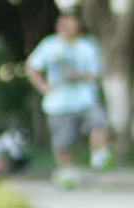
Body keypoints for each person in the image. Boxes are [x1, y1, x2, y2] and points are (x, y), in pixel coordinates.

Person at [26, 9, 112, 188]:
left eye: (72, 26)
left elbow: (96, 74)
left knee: (100, 124)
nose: (67, 29)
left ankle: (99, 156)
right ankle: (67, 173)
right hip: (58, 103)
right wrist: (43, 87)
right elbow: (32, 67)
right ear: (58, 27)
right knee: (63, 142)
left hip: (85, 99)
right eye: (64, 25)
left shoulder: (87, 47)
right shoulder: (49, 46)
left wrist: (79, 76)